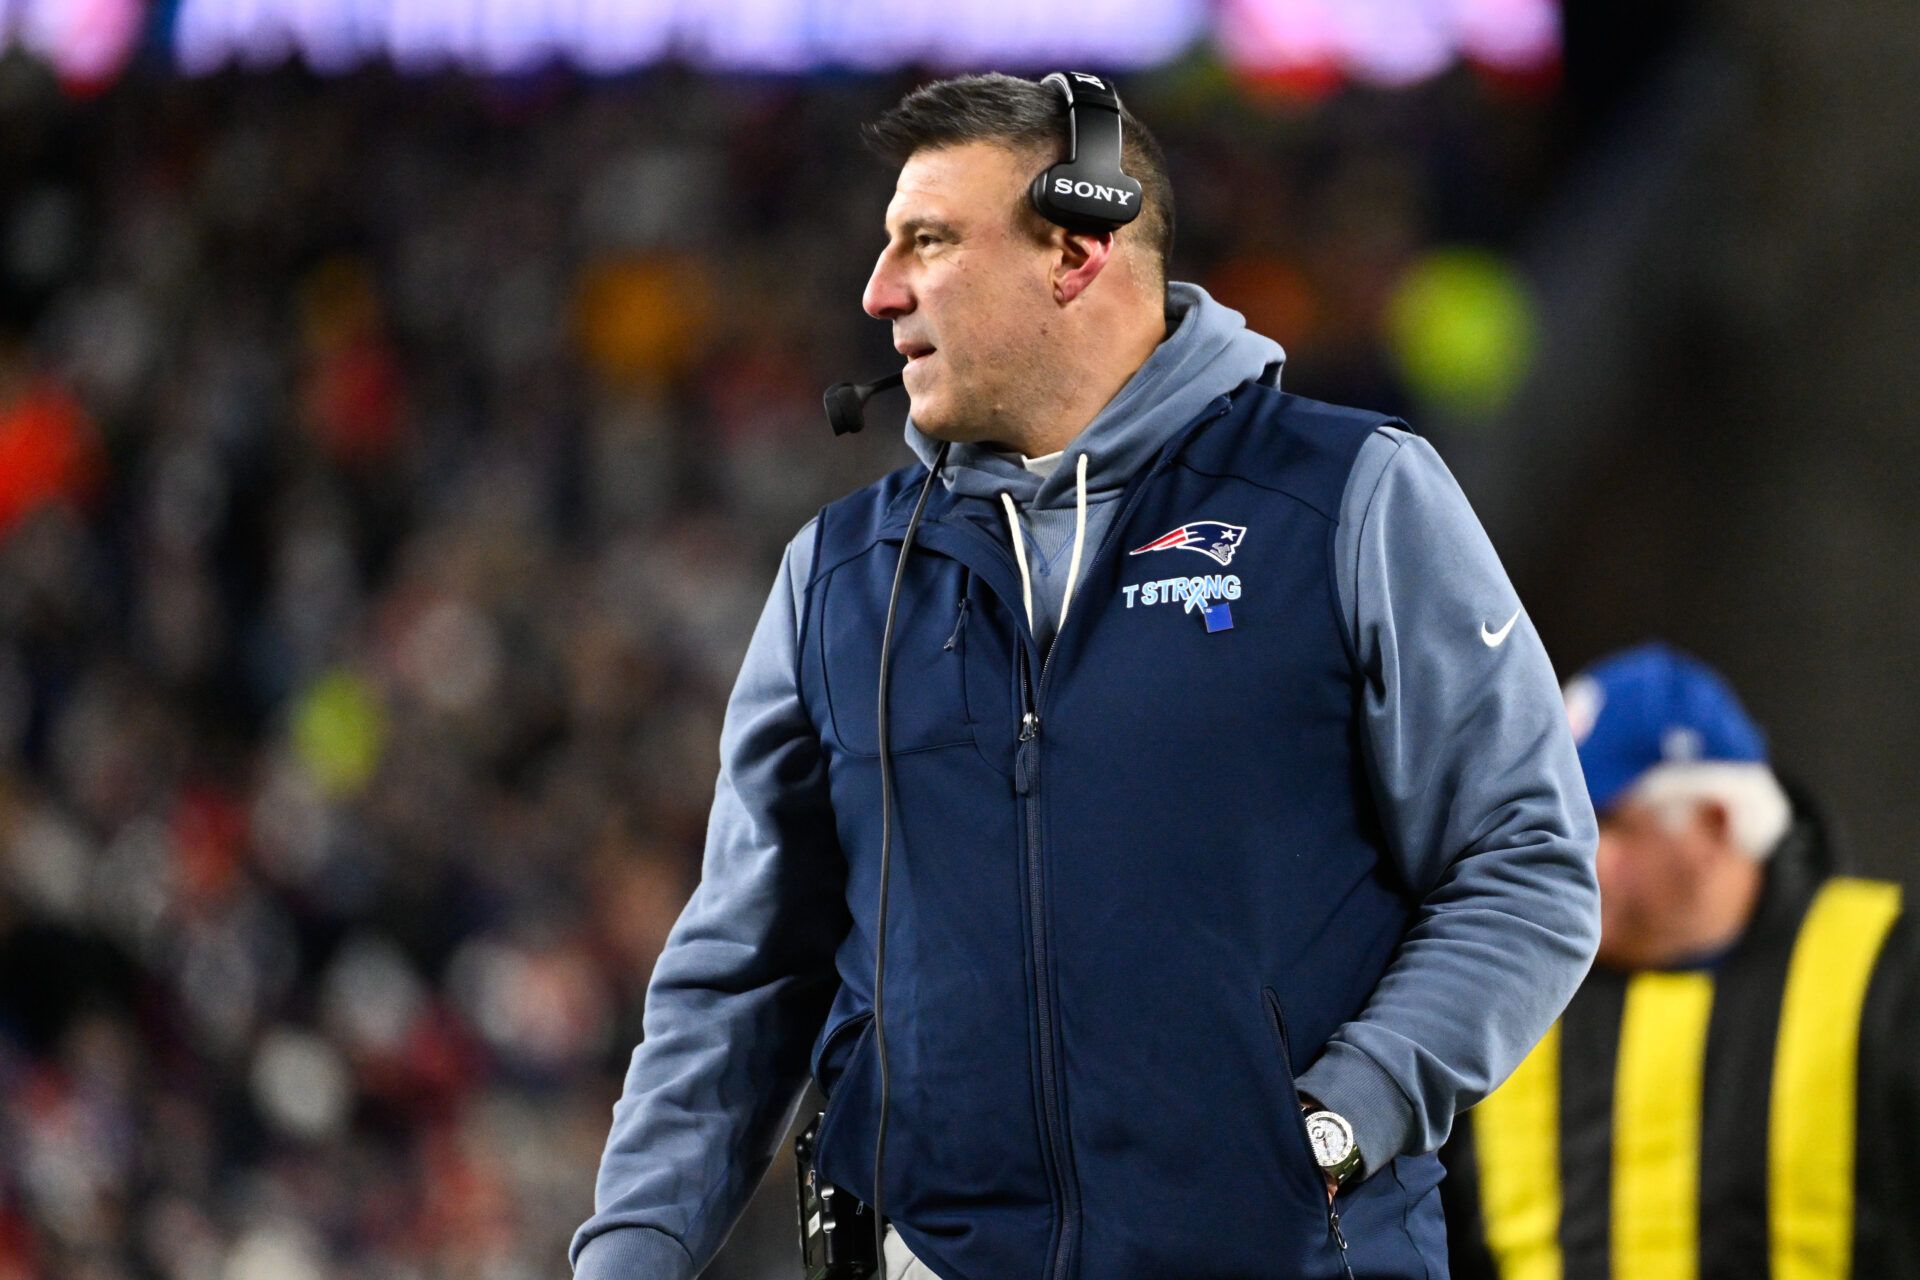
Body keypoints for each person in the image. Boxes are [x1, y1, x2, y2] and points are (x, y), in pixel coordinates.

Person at [570, 72, 1600, 1280]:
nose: (878, 288)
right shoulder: (839, 576)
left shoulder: (1350, 498)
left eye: (930, 240)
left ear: (1076, 250)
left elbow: (1526, 862)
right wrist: (632, 1250)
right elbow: (741, 975)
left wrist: (1340, 1118)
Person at [1440, 643, 1920, 1279]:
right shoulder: (1502, 984)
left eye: (1600, 824)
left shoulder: (1888, 974)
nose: (1556, 857)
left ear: (1714, 825)